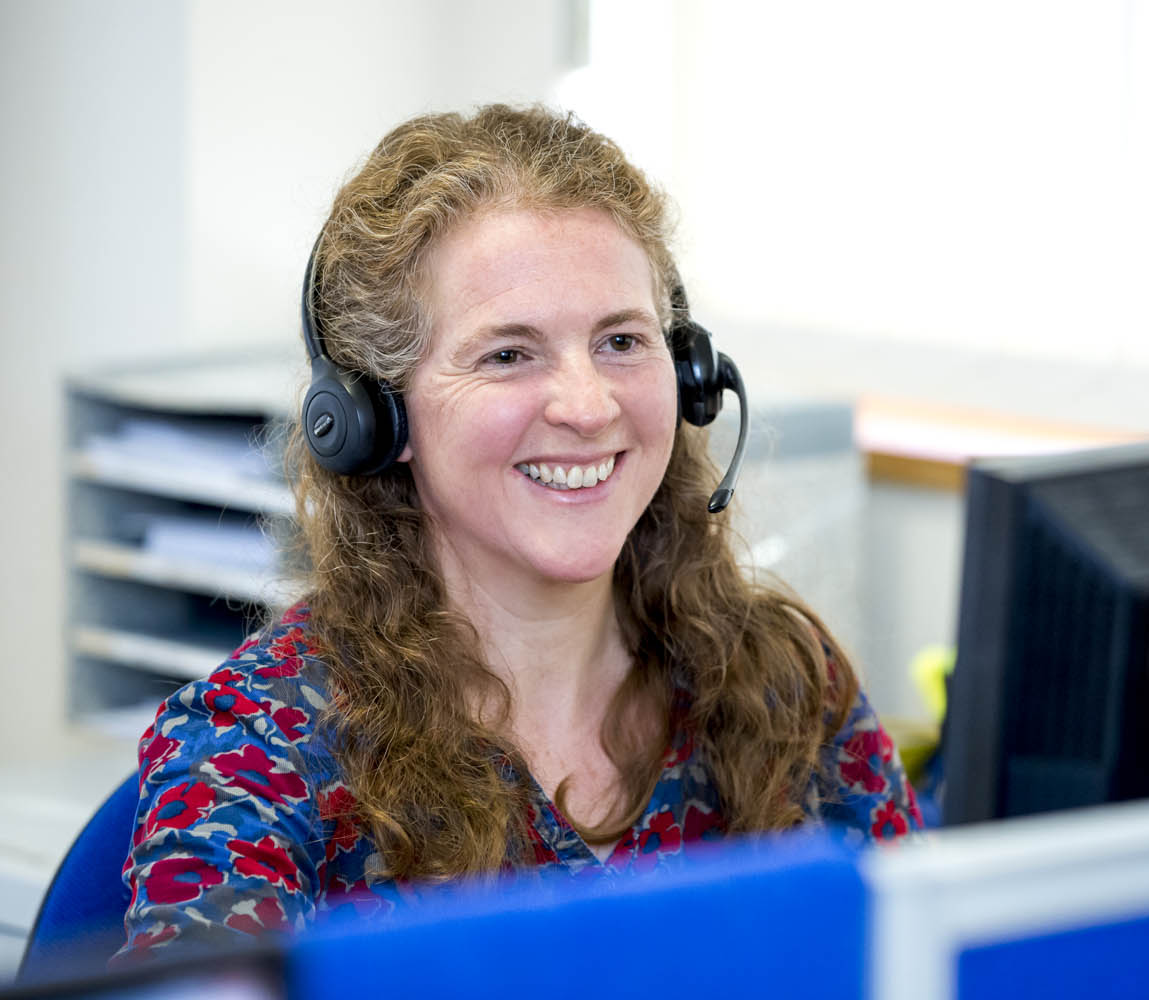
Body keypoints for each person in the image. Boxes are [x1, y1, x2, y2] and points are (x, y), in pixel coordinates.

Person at [116, 103, 920, 961]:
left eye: (620, 340)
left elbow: (933, 963)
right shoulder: (259, 746)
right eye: (508, 354)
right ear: (377, 418)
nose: (586, 405)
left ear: (688, 377)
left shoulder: (783, 686)